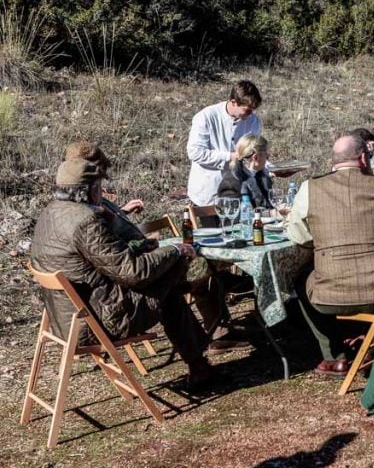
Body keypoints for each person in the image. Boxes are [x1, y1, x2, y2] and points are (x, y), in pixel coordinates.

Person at [30, 158, 216, 390]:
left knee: (168, 283)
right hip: (99, 321)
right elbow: (133, 273)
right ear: (91, 190)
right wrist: (175, 250)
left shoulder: (50, 213)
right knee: (170, 279)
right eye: (99, 187)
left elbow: (105, 258)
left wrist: (140, 247)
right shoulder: (85, 222)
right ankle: (201, 359)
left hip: (64, 320)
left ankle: (201, 359)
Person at [63, 142, 251, 355]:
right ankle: (216, 334)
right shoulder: (87, 215)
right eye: (95, 171)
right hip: (120, 285)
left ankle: (213, 335)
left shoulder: (82, 204)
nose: (99, 175)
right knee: (196, 272)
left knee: (193, 266)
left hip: (122, 271)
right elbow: (120, 261)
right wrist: (153, 248)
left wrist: (123, 214)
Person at [286, 134, 374, 376]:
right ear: (363, 158)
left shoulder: (310, 188)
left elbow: (298, 237)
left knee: (300, 279)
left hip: (328, 294)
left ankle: (334, 355)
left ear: (333, 160)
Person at [187, 80, 263, 206]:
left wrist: (269, 169)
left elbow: (253, 153)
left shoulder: (253, 121)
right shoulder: (206, 117)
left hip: (238, 192)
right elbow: (195, 152)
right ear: (233, 102)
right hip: (208, 192)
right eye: (247, 110)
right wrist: (230, 156)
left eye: (253, 111)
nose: (251, 115)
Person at [217, 133, 273, 209]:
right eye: (267, 155)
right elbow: (230, 217)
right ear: (256, 158)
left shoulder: (261, 177)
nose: (267, 159)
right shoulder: (231, 184)